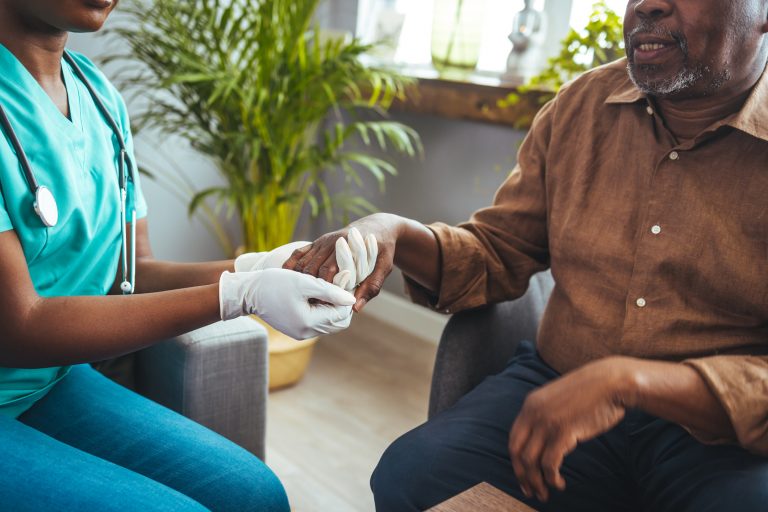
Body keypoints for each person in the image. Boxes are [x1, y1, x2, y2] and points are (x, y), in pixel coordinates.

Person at [286, 0, 768, 510]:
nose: (647, 4)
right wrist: (395, 234)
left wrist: (633, 382)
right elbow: (499, 250)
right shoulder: (580, 106)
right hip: (558, 388)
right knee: (413, 476)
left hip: (722, 438)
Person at [0, 0, 371, 510]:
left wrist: (260, 266)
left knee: (256, 494)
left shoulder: (99, 96)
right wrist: (240, 297)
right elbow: (19, 326)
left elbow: (131, 275)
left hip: (50, 384)